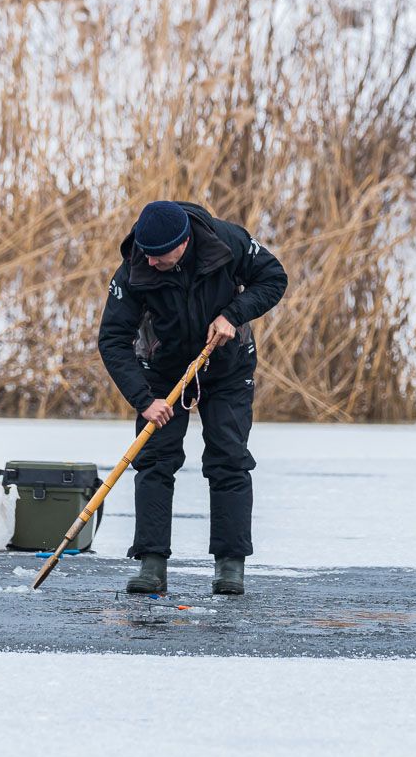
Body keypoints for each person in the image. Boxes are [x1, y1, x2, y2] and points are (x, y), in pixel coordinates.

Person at [97, 200, 288, 595]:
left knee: (229, 460)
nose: (150, 264)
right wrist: (143, 399)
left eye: (159, 256)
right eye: (146, 255)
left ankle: (230, 565)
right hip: (162, 372)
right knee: (154, 461)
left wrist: (233, 315)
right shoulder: (135, 265)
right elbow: (113, 339)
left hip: (226, 368)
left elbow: (273, 279)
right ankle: (151, 564)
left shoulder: (229, 241)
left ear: (183, 243)